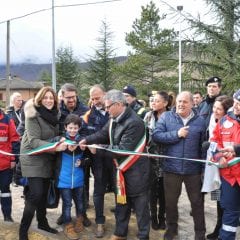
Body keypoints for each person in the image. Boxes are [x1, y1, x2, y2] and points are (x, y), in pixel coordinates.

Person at [79, 89, 150, 240]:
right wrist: (88, 140)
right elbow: (103, 134)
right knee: (121, 204)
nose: (105, 110)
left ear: (118, 104)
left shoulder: (135, 122)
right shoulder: (114, 118)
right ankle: (120, 233)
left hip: (136, 173)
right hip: (121, 172)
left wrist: (98, 149)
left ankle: (143, 236)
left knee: (141, 207)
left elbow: (123, 150)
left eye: (107, 107)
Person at [153, 91, 206, 240]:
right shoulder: (166, 117)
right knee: (170, 203)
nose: (181, 104)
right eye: (179, 101)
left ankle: (200, 234)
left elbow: (203, 147)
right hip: (171, 169)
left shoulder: (200, 121)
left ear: (192, 104)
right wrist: (176, 134)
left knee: (197, 203)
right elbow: (156, 136)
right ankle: (172, 230)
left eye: (185, 102)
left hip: (193, 170)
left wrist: (202, 170)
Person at [19, 86, 67, 240]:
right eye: (45, 97)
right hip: (33, 158)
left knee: (44, 193)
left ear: (55, 100)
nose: (48, 100)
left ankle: (42, 223)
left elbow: (55, 134)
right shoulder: (32, 115)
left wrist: (62, 138)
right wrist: (55, 147)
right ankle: (23, 230)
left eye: (51, 98)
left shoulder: (55, 115)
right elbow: (33, 141)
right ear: (40, 99)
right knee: (35, 194)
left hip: (47, 157)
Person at [80, 85, 115, 238]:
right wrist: (89, 146)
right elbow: (83, 137)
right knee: (98, 192)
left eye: (97, 97)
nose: (95, 101)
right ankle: (100, 222)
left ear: (105, 95)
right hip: (98, 161)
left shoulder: (114, 111)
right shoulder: (87, 116)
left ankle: (121, 222)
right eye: (92, 98)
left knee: (119, 190)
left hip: (115, 160)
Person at [58, 83, 91, 227]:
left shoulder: (85, 109)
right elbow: (57, 129)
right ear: (62, 97)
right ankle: (65, 216)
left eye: (73, 96)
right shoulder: (58, 110)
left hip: (81, 151)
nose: (71, 100)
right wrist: (63, 141)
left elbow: (88, 130)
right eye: (68, 97)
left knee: (82, 186)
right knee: (65, 189)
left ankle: (82, 215)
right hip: (63, 152)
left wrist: (78, 142)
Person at [201, 95, 233, 240]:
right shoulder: (213, 121)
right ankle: (218, 226)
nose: (215, 111)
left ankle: (222, 227)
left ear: (227, 110)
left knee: (226, 202)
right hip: (213, 167)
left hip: (227, 168)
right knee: (217, 198)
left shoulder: (231, 124)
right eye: (214, 107)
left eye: (219, 109)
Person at [209, 89, 240, 240]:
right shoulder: (224, 121)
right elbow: (214, 142)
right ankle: (225, 237)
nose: (236, 107)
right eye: (235, 103)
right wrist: (218, 156)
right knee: (228, 209)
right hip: (228, 176)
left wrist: (236, 150)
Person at [55, 114, 86, 240]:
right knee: (67, 203)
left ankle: (79, 219)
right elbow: (52, 149)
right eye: (70, 128)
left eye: (75, 128)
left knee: (79, 202)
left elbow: (89, 158)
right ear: (65, 127)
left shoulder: (83, 141)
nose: (73, 130)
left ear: (79, 128)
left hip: (78, 179)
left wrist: (83, 162)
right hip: (64, 179)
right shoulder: (60, 139)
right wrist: (59, 145)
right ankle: (67, 224)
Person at [144, 91, 171, 231]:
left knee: (164, 192)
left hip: (167, 160)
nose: (153, 103)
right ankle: (153, 217)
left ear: (165, 103)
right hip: (151, 159)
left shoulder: (172, 117)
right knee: (152, 191)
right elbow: (144, 137)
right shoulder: (148, 116)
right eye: (152, 100)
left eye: (156, 100)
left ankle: (162, 218)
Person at [0, 107, 19, 222]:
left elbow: (15, 140)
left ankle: (7, 216)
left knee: (5, 191)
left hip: (5, 164)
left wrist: (13, 159)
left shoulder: (8, 120)